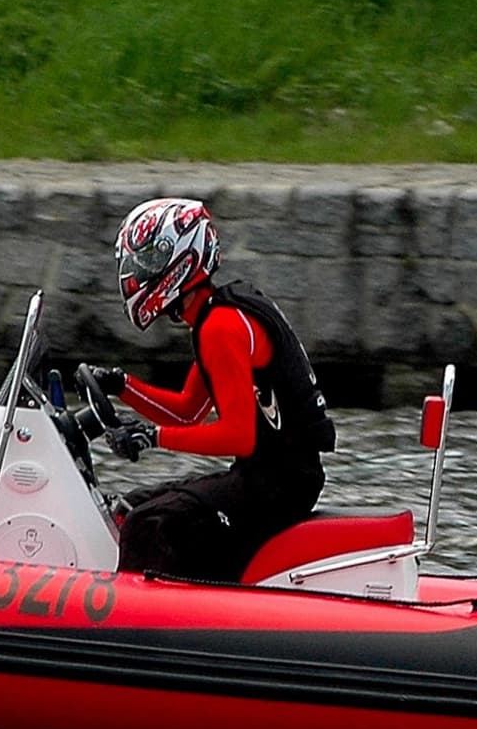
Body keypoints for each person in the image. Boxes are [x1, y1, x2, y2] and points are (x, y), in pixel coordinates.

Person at [88, 197, 337, 581]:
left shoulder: (221, 327)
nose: (138, 275)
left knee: (148, 523)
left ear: (182, 260)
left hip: (279, 485)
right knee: (129, 506)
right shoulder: (213, 317)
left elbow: (239, 437)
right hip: (269, 477)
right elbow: (188, 411)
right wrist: (123, 386)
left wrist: (152, 438)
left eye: (149, 263)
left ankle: (152, 624)